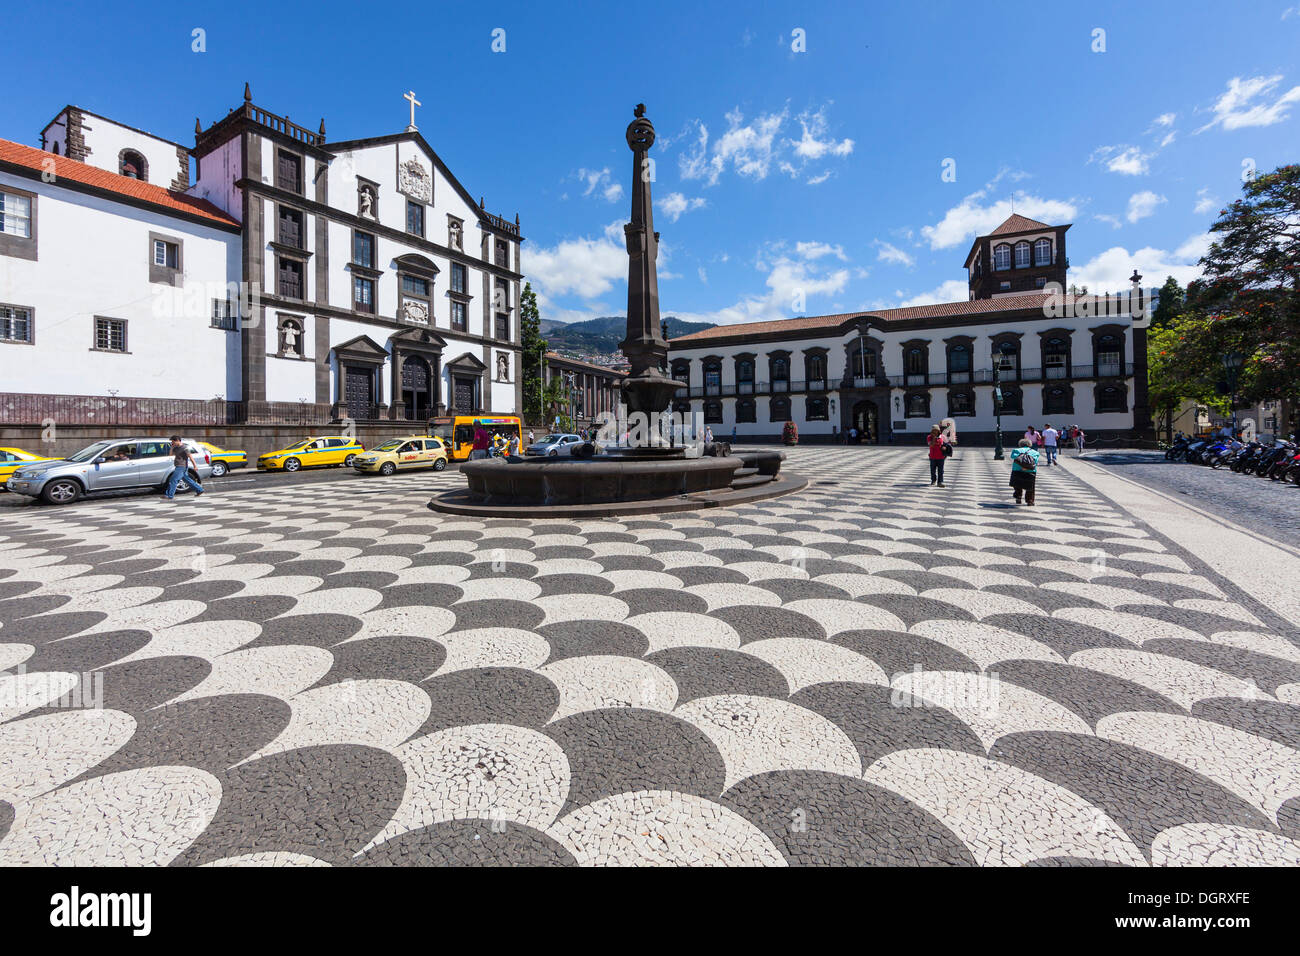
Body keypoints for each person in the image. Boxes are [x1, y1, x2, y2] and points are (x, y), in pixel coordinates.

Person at [1009, 437, 1039, 506]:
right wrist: (1026, 467)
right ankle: (1030, 501)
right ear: (1030, 444)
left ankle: (1018, 496)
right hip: (1030, 471)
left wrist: (1022, 466)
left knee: (1017, 484)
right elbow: (1035, 462)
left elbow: (1013, 457)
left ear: (1020, 444)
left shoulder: (1016, 450)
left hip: (1017, 470)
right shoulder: (1035, 452)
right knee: (1030, 487)